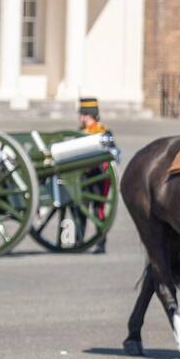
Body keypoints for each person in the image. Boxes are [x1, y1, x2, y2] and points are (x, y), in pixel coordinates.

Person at [78, 97, 112, 254]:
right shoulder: (81, 132)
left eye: (82, 114)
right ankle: (79, 240)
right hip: (84, 176)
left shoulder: (102, 131)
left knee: (98, 209)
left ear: (87, 115)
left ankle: (101, 242)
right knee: (82, 208)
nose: (80, 118)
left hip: (100, 175)